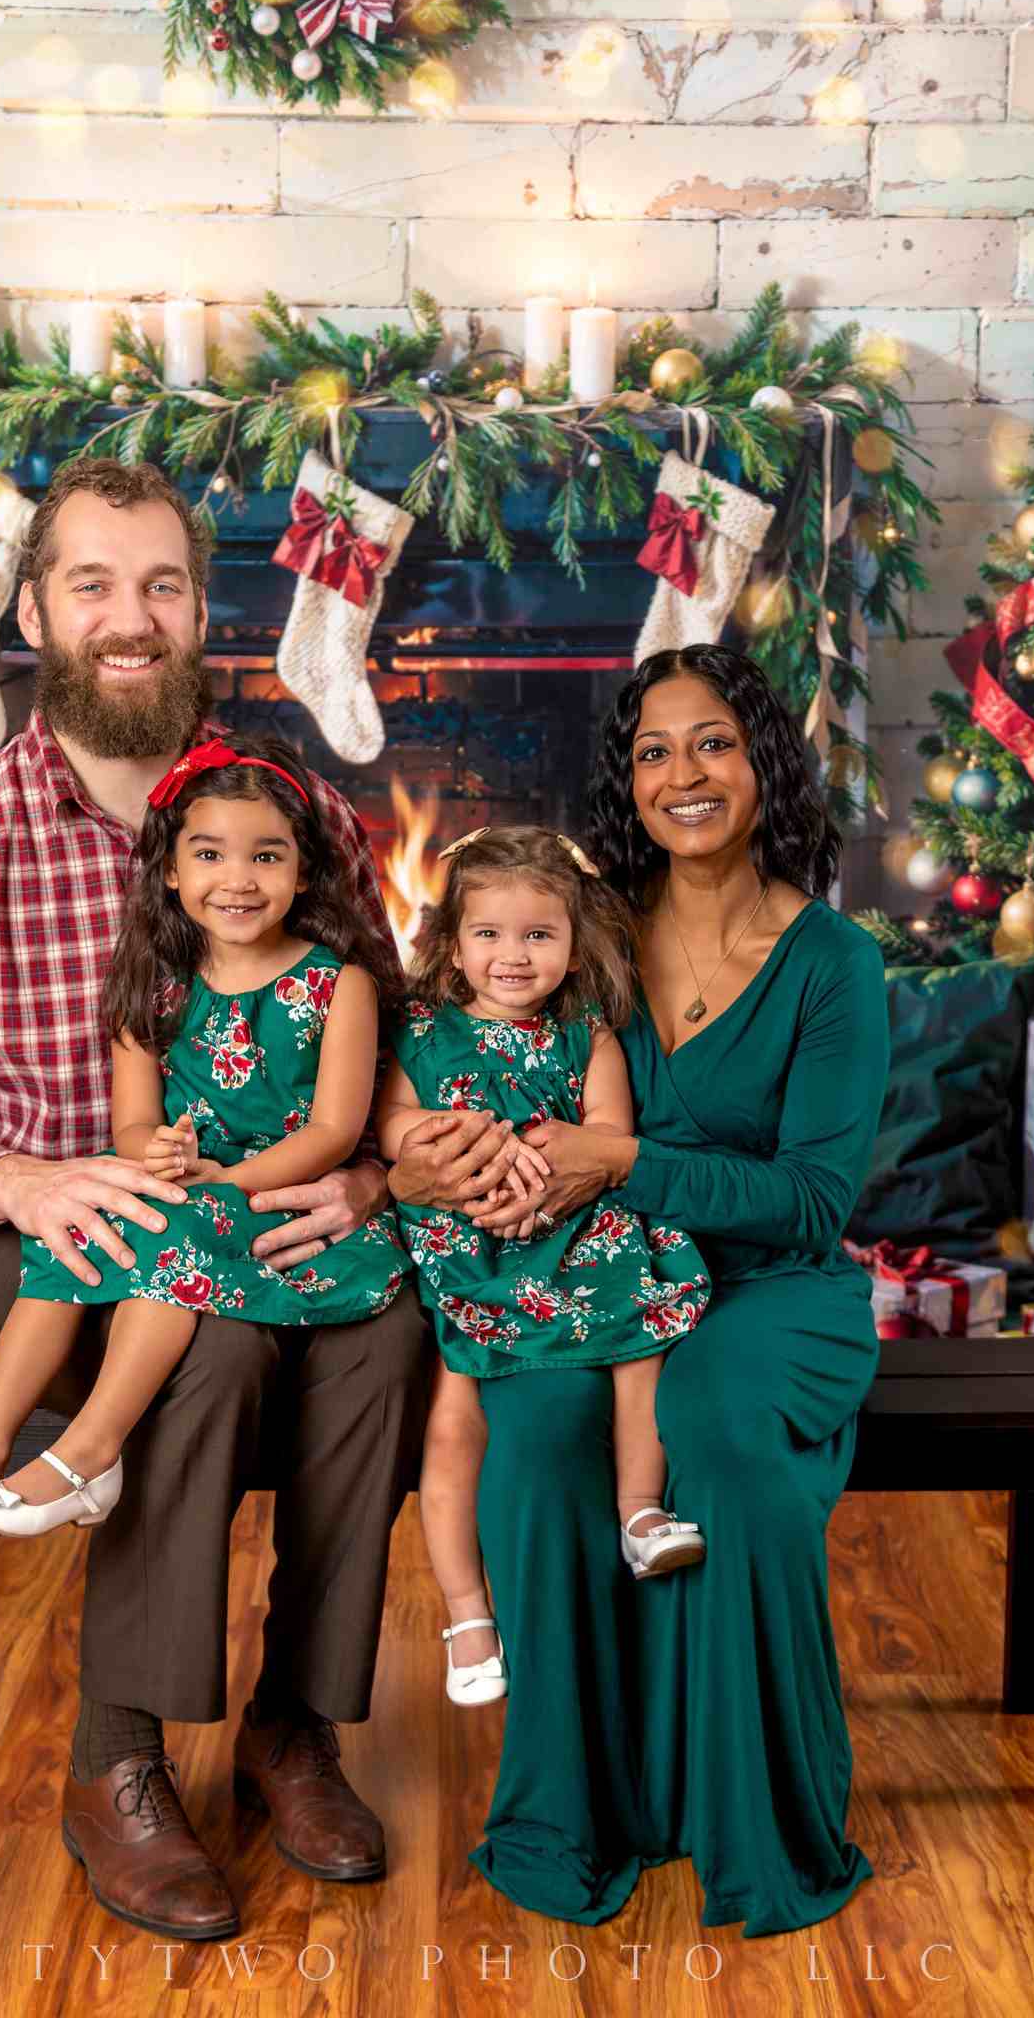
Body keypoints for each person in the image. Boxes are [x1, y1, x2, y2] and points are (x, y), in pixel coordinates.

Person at [0, 458, 523, 1942]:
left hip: (270, 1204)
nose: (128, 619)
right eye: (92, 583)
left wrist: (360, 1175)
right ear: (35, 611)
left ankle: (293, 1723)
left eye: (160, 586)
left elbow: (382, 1035)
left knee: (388, 1332)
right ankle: (118, 1757)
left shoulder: (297, 818)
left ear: (201, 614)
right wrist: (21, 1174)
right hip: (37, 1242)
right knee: (198, 1343)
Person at [387, 644, 891, 1938]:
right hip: (583, 1275)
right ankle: (572, 1808)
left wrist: (621, 1160)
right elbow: (459, 1066)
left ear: (760, 759)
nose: (683, 772)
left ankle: (751, 1817)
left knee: (712, 1430)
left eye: (710, 741)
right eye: (652, 750)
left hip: (769, 1288)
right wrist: (440, 1166)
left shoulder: (830, 961)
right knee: (539, 1434)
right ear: (625, 778)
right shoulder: (582, 928)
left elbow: (811, 1202)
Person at [0, 734, 412, 1552]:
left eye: (266, 855)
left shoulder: (339, 984)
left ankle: (89, 1452)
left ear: (303, 872)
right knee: (71, 1232)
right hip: (194, 1194)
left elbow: (331, 1133)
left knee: (165, 1246)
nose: (238, 879)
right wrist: (158, 1157)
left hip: (285, 1208)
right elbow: (133, 1125)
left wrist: (227, 1183)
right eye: (209, 853)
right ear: (173, 871)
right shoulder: (150, 984)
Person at [376, 825, 712, 1709]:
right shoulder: (419, 1032)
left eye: (538, 936)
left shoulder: (584, 1034)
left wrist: (555, 1166)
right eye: (488, 934)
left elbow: (609, 1136)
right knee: (453, 1421)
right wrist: (471, 1146)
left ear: (573, 943)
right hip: (466, 1233)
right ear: (451, 945)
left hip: (568, 1226)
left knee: (641, 1338)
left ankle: (640, 1511)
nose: (513, 956)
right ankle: (465, 1613)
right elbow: (390, 1126)